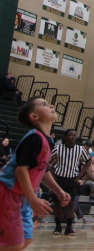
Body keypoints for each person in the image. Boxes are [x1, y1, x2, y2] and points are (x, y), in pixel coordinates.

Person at [0, 97, 70, 250]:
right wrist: (33, 199)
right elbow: (21, 170)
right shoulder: (34, 138)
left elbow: (43, 170)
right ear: (34, 116)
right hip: (9, 192)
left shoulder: (48, 141)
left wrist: (58, 191)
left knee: (26, 239)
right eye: (44, 104)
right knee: (14, 244)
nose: (51, 106)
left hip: (24, 196)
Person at [50, 129, 91, 236]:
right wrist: (52, 174)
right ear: (65, 137)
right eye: (70, 135)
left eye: (74, 135)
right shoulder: (58, 148)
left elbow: (89, 160)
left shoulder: (80, 149)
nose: (73, 137)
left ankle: (69, 228)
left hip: (72, 179)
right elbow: (47, 161)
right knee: (57, 203)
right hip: (59, 179)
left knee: (71, 204)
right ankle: (58, 227)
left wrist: (80, 174)